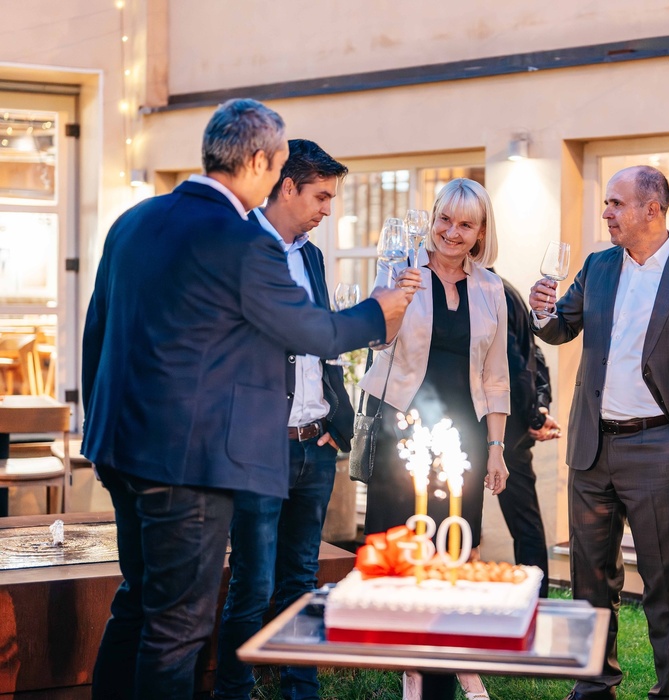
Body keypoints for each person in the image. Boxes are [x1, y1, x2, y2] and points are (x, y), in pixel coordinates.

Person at [81, 99, 413, 700]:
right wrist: (378, 312)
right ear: (259, 162)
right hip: (188, 462)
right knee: (177, 629)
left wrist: (97, 430)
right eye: (279, 163)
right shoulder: (239, 241)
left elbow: (97, 332)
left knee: (137, 601)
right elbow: (312, 332)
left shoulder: (133, 221)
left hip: (118, 449)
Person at [529, 165, 669, 700]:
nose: (606, 213)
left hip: (660, 447)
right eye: (607, 203)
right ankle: (594, 684)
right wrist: (542, 312)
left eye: (616, 203)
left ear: (652, 209)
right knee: (590, 577)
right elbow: (562, 327)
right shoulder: (598, 266)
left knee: (664, 582)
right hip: (592, 447)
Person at [358, 178, 510, 700]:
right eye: (444, 219)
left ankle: (460, 660)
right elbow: (376, 341)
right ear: (432, 218)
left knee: (457, 547)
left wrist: (496, 449)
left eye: (466, 224)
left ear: (480, 232)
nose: (451, 231)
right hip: (401, 429)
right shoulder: (403, 269)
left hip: (464, 435)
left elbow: (496, 376)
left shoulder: (490, 288)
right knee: (406, 549)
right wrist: (394, 295)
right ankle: (413, 669)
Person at [214, 140, 353, 700]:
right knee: (252, 584)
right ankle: (233, 693)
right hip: (258, 450)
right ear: (288, 187)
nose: (327, 209)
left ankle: (302, 692)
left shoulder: (313, 257)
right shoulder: (237, 249)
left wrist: (338, 420)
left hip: (313, 447)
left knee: (301, 581)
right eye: (321, 196)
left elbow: (325, 343)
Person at [497, 273, 560, 598]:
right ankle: (538, 601)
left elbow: (519, 361)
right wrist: (538, 409)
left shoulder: (490, 292)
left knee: (460, 518)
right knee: (526, 525)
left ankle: (535, 601)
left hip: (498, 426)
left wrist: (535, 414)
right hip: (515, 425)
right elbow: (534, 356)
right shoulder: (508, 290)